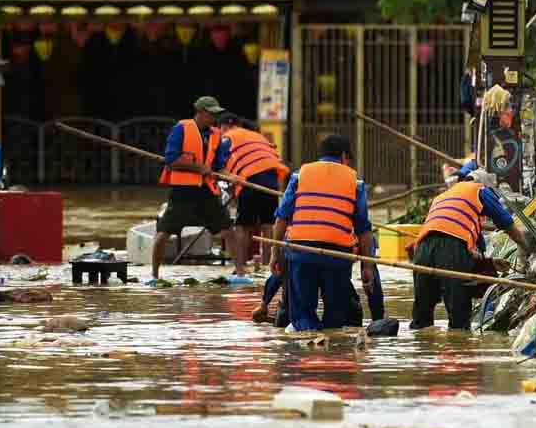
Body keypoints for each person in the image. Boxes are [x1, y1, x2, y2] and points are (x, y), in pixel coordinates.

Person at [270, 134, 377, 331]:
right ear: (344, 156)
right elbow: (364, 230)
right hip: (336, 256)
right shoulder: (356, 183)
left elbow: (281, 219)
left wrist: (275, 254)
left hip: (300, 252)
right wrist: (367, 267)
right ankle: (331, 355)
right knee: (335, 319)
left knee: (302, 317)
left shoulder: (299, 176)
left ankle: (308, 350)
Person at [410, 168, 532, 331]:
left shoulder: (444, 196)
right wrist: (527, 249)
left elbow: (462, 244)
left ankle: (422, 348)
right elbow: (506, 223)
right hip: (451, 246)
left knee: (422, 314)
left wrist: (490, 263)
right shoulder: (480, 189)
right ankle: (461, 346)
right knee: (459, 312)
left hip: (422, 248)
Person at [152, 96, 244, 281]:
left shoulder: (216, 134)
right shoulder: (182, 128)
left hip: (206, 191)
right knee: (163, 233)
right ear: (200, 112)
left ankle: (241, 273)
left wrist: (230, 176)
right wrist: (198, 167)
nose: (214, 118)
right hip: (182, 191)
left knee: (228, 230)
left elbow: (219, 166)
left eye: (216, 115)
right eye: (211, 114)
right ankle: (154, 275)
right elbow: (172, 159)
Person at [218, 113, 289, 267]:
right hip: (271, 178)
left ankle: (241, 267)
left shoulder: (227, 137)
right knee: (267, 224)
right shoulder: (258, 136)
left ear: (225, 127)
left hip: (250, 178)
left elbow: (218, 164)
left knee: (244, 226)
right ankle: (266, 266)